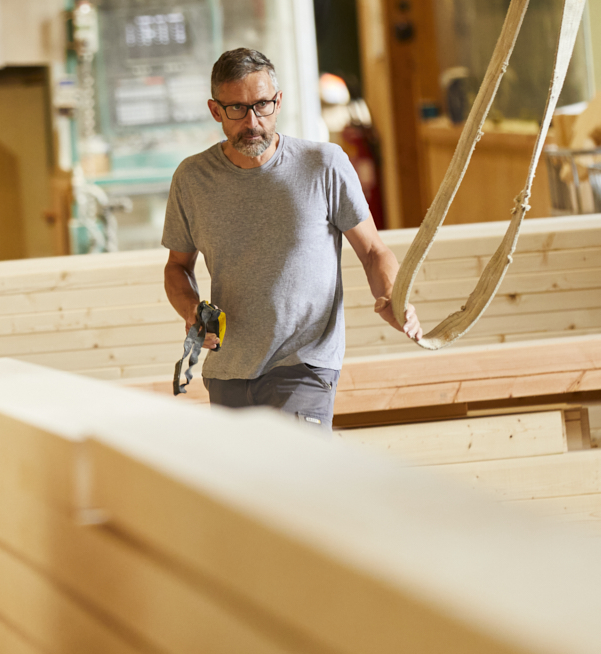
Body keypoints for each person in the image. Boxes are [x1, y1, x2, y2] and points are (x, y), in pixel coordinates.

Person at [162, 48, 422, 429]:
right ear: (215, 110)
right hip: (228, 371)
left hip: (304, 366)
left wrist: (392, 296)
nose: (252, 121)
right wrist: (191, 312)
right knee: (244, 490)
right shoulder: (192, 179)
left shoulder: (324, 165)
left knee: (300, 483)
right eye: (236, 109)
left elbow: (373, 251)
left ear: (278, 102)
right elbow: (177, 268)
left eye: (262, 105)